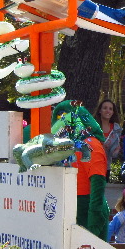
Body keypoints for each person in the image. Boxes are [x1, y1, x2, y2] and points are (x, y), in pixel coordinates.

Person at [52, 101, 110, 240]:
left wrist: (93, 219)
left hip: (87, 207)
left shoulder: (90, 145)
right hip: (71, 206)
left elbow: (97, 182)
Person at [94, 99, 123, 177]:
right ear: (100, 110)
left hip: (106, 166)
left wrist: (117, 150)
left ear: (113, 112)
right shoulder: (93, 127)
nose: (108, 111)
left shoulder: (116, 129)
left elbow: (114, 153)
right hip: (92, 165)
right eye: (105, 108)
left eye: (110, 109)